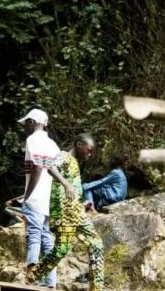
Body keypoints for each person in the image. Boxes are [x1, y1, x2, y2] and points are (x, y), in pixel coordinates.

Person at [29, 134, 105, 290]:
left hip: (76, 211)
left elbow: (73, 189)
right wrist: (66, 184)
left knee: (96, 243)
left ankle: (97, 287)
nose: (89, 155)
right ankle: (33, 274)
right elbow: (50, 167)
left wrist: (82, 203)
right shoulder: (64, 155)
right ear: (78, 144)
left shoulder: (74, 163)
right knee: (61, 249)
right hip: (64, 212)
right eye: (88, 150)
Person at [18, 109, 77, 288]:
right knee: (47, 239)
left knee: (34, 235)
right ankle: (51, 283)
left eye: (27, 122)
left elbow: (36, 167)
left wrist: (27, 195)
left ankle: (31, 275)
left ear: (31, 122)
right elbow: (60, 171)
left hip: (35, 198)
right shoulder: (52, 145)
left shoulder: (32, 140)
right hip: (49, 199)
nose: (26, 126)